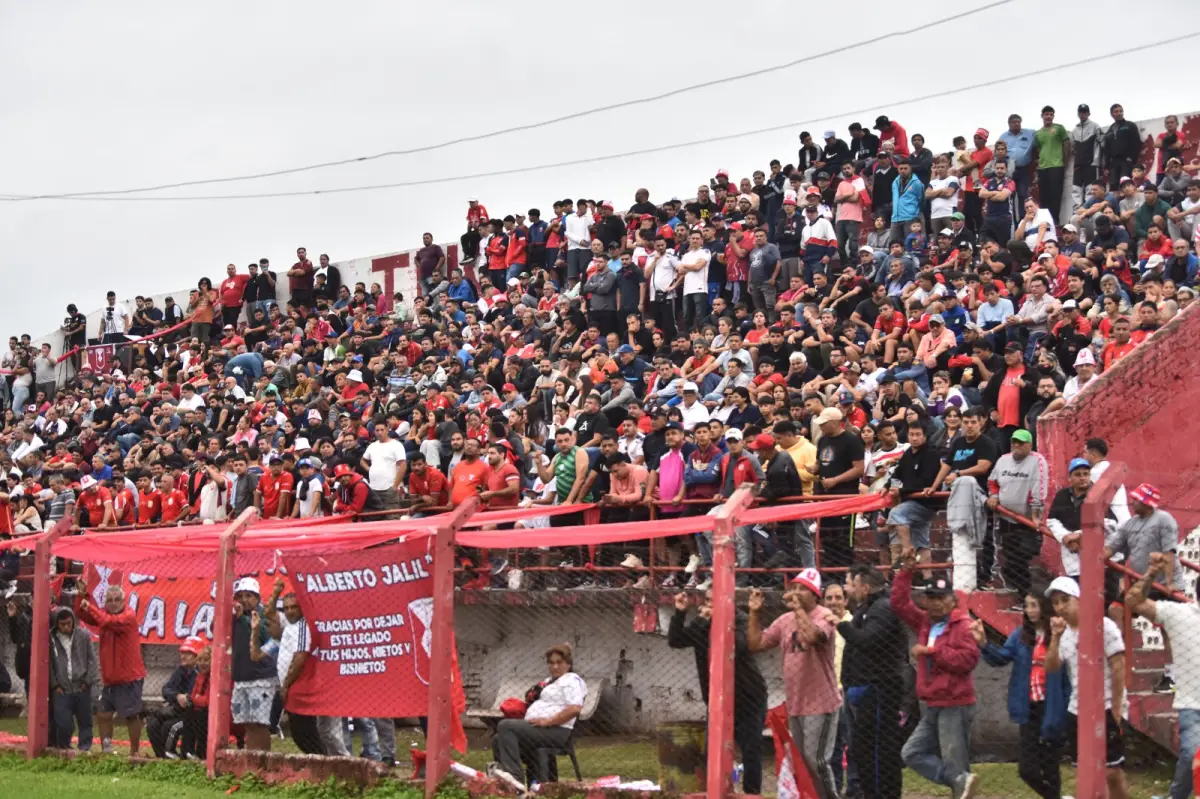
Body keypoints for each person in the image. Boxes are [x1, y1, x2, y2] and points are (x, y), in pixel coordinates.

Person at [891, 552, 981, 799]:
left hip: (955, 702)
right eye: (931, 598)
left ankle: (960, 782)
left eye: (941, 598)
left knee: (955, 761)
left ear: (952, 600)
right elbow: (899, 603)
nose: (935, 603)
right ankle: (960, 781)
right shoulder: (925, 622)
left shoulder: (963, 625)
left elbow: (968, 660)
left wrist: (932, 652)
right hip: (932, 702)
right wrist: (905, 573)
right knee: (911, 753)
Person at [748, 574, 841, 799]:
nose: (796, 592)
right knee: (801, 763)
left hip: (821, 702)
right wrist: (755, 612)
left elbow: (811, 637)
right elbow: (756, 643)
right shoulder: (785, 620)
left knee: (816, 761)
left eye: (803, 589)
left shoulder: (825, 616)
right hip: (796, 702)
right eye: (794, 588)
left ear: (815, 594)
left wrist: (798, 610)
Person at [970, 591, 1068, 799]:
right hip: (1029, 706)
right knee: (1027, 769)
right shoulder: (1021, 634)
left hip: (1052, 705)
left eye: (1034, 605)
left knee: (1050, 764)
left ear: (1045, 607)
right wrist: (983, 643)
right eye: (1026, 605)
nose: (1029, 610)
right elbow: (1002, 657)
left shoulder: (1059, 633)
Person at [668, 590, 767, 795]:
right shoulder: (702, 623)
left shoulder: (740, 619)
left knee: (751, 752)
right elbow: (676, 640)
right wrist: (680, 613)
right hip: (718, 702)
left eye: (714, 601)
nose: (709, 605)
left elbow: (738, 646)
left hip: (748, 698)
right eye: (707, 601)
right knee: (712, 754)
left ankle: (751, 793)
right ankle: (714, 792)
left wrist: (717, 621)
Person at [1045, 575, 1130, 799]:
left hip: (1107, 706)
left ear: (1079, 600)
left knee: (1112, 772)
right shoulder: (1064, 635)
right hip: (1078, 710)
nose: (1060, 607)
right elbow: (1052, 667)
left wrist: (1118, 707)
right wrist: (1054, 637)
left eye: (1066, 600)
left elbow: (1119, 664)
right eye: (1056, 603)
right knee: (1086, 773)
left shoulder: (1103, 626)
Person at [1125, 553, 1200, 799]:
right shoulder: (1180, 614)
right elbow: (1133, 601)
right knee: (1191, 753)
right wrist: (1151, 573)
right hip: (1192, 705)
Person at [836, 564, 908, 799]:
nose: (850, 589)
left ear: (865, 587)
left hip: (879, 689)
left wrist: (840, 623)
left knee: (878, 749)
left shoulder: (883, 609)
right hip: (863, 689)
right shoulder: (866, 609)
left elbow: (867, 641)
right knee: (862, 748)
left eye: (852, 585)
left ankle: (882, 794)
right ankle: (870, 793)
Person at [490, 643, 587, 787]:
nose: (554, 667)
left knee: (506, 726)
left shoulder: (572, 680)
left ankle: (514, 779)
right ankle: (506, 780)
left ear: (568, 664)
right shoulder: (549, 681)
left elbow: (574, 709)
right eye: (551, 663)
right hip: (538, 729)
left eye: (559, 662)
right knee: (498, 740)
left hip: (556, 731)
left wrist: (548, 721)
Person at [75, 577, 146, 755]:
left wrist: (89, 606)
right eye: (109, 600)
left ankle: (135, 752)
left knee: (130, 715)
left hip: (129, 677)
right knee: (103, 714)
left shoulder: (128, 616)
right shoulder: (103, 616)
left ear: (124, 601)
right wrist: (82, 595)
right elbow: (81, 614)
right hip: (110, 678)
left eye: (117, 600)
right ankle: (107, 749)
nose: (113, 603)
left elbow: (107, 621)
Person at [985, 429, 1049, 598]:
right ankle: (1023, 596)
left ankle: (1026, 595)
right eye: (1014, 442)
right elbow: (992, 481)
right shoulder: (1003, 460)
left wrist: (1036, 516)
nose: (1016, 445)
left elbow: (1039, 490)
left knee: (1021, 556)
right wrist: (994, 496)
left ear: (1030, 445)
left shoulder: (1037, 461)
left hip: (1027, 521)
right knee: (1010, 557)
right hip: (1007, 518)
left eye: (1021, 442)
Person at [231, 577, 277, 752]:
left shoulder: (265, 614)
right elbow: (215, 628)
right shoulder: (236, 616)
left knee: (260, 722)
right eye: (240, 596)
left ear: (257, 597)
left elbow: (266, 638)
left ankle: (263, 760)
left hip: (262, 677)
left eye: (249, 595)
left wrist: (243, 619)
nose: (244, 600)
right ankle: (251, 759)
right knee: (247, 722)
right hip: (241, 676)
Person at [49, 606, 99, 751]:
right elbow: (49, 665)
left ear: (73, 622)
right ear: (56, 624)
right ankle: (64, 749)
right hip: (61, 689)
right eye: (62, 624)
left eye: (69, 623)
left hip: (82, 686)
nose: (66, 627)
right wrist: (55, 685)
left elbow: (92, 660)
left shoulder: (83, 636)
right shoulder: (51, 638)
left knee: (86, 722)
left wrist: (88, 682)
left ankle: (84, 750)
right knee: (64, 723)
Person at [146, 636, 203, 759]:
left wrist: (184, 698)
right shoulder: (181, 670)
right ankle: (162, 757)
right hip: (177, 710)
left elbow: (192, 699)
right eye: (182, 653)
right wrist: (177, 696)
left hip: (192, 715)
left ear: (197, 655)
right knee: (152, 723)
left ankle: (170, 755)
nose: (183, 656)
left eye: (188, 654)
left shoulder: (200, 673)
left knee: (169, 726)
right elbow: (166, 689)